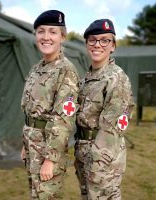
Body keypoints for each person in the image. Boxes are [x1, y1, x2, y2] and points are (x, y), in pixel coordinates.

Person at [20, 10, 79, 200]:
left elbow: (63, 119)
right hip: (33, 147)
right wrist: (25, 144)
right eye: (41, 31)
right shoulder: (37, 69)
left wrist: (50, 159)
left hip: (48, 150)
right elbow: (31, 112)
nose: (46, 37)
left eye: (52, 32)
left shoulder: (66, 71)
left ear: (62, 36)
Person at [74, 19, 134, 200]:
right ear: (86, 44)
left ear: (113, 46)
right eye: (92, 40)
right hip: (84, 154)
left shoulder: (116, 79)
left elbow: (111, 129)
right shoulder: (87, 78)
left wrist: (98, 169)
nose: (97, 44)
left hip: (103, 160)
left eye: (104, 40)